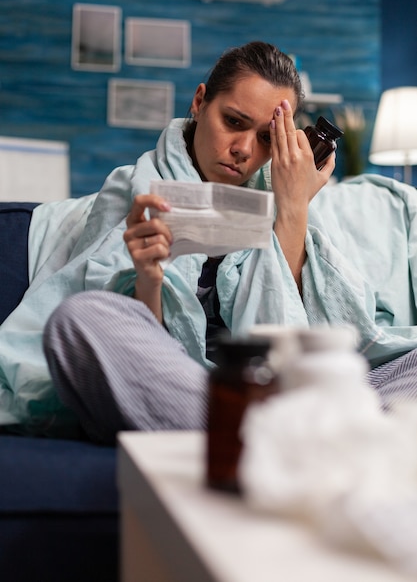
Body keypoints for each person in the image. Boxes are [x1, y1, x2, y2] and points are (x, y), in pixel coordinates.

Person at [2, 41, 417, 444]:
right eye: (234, 122)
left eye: (266, 138)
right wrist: (148, 277)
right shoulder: (130, 187)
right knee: (81, 319)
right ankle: (302, 441)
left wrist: (292, 209)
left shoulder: (287, 196)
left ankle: (273, 439)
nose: (242, 150)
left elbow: (297, 339)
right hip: (187, 388)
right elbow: (140, 346)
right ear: (200, 103)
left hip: (279, 392)